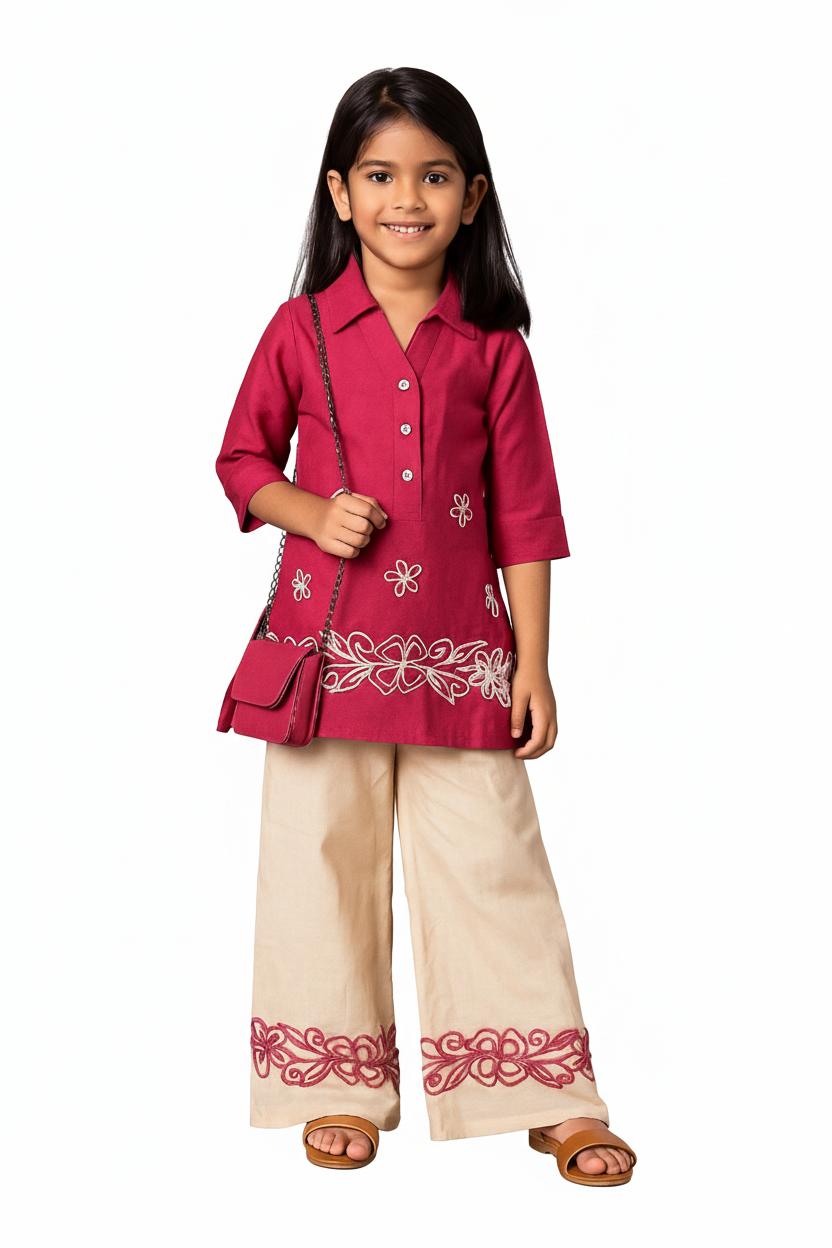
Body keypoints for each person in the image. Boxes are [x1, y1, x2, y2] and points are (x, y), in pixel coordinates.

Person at [216, 66, 637, 1185]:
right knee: (318, 863)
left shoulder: (493, 347)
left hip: (463, 661)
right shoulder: (300, 330)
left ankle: (546, 1095)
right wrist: (309, 511)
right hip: (324, 656)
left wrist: (534, 664)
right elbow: (241, 458)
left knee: (494, 866)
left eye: (435, 176)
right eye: (381, 175)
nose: (408, 198)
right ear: (340, 193)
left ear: (473, 195)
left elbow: (526, 515)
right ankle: (333, 1085)